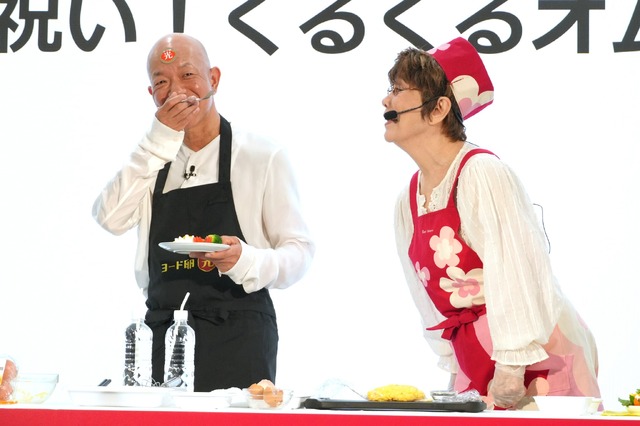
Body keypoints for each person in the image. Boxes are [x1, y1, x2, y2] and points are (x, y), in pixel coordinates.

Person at [383, 37, 600, 409]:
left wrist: (512, 365)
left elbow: (519, 270)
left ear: (438, 109)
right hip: (479, 357)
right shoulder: (409, 198)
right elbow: (426, 297)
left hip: (535, 359)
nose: (386, 101)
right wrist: (455, 364)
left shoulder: (481, 173)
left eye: (398, 90)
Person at [92, 33, 315, 391]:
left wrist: (246, 260)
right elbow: (110, 218)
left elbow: (299, 252)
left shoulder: (261, 155)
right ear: (152, 95)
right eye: (161, 83)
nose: (176, 91)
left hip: (239, 335)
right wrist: (158, 140)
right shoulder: (152, 160)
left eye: (188, 75)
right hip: (163, 334)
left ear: (213, 79)